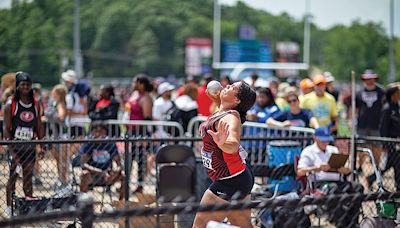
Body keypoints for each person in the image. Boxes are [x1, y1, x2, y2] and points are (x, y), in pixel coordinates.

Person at [193, 81, 256, 228]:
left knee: (200, 226)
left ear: (237, 100)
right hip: (239, 177)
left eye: (232, 87)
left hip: (229, 181)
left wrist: (222, 144)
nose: (226, 86)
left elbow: (233, 144)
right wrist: (215, 97)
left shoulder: (231, 118)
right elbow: (222, 106)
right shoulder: (223, 110)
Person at [297, 126, 362, 227]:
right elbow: (300, 171)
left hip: (338, 182)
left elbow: (347, 169)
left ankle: (353, 222)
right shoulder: (308, 151)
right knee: (334, 189)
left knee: (358, 187)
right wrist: (317, 168)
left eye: (327, 140)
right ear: (315, 138)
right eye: (323, 141)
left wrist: (342, 169)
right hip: (320, 184)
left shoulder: (333, 149)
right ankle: (341, 223)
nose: (326, 143)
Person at [4, 72, 44, 217]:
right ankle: (9, 207)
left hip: (29, 146)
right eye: (22, 84)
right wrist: (11, 149)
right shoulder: (11, 104)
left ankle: (28, 205)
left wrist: (41, 143)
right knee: (13, 176)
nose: (25, 87)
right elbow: (6, 128)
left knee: (28, 177)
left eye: (28, 84)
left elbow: (39, 125)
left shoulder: (35, 103)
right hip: (15, 146)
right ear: (18, 86)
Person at [79, 122, 125, 200]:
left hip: (108, 176)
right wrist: (101, 173)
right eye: (95, 131)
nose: (98, 134)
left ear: (105, 132)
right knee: (84, 175)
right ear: (91, 132)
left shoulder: (110, 143)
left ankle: (121, 202)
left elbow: (118, 163)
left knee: (123, 176)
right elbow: (84, 165)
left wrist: (116, 171)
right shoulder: (89, 143)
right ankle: (83, 202)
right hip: (92, 175)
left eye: (101, 131)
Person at [367, 85, 400, 190]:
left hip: (396, 141)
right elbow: (383, 127)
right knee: (395, 164)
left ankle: (372, 178)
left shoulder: (396, 107)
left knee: (393, 164)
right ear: (393, 95)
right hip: (390, 142)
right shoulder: (387, 108)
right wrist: (385, 144)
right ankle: (397, 186)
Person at [125, 74, 153, 193]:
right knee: (128, 158)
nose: (133, 84)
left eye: (135, 82)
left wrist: (145, 137)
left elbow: (147, 118)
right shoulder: (134, 95)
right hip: (130, 131)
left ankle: (140, 185)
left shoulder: (146, 98)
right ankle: (125, 182)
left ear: (141, 84)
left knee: (140, 158)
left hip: (140, 132)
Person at [356, 70, 386, 175]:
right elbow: (355, 108)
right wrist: (351, 121)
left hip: (376, 125)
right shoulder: (359, 92)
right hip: (362, 124)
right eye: (366, 79)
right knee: (361, 147)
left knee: (377, 147)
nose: (369, 81)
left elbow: (384, 107)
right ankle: (359, 167)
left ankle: (377, 167)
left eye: (371, 79)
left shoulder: (381, 92)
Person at [44, 84, 69, 187]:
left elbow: (61, 116)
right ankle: (60, 179)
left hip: (60, 135)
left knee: (62, 159)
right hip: (54, 134)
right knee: (57, 159)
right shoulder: (54, 103)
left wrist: (50, 117)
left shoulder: (60, 104)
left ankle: (63, 180)